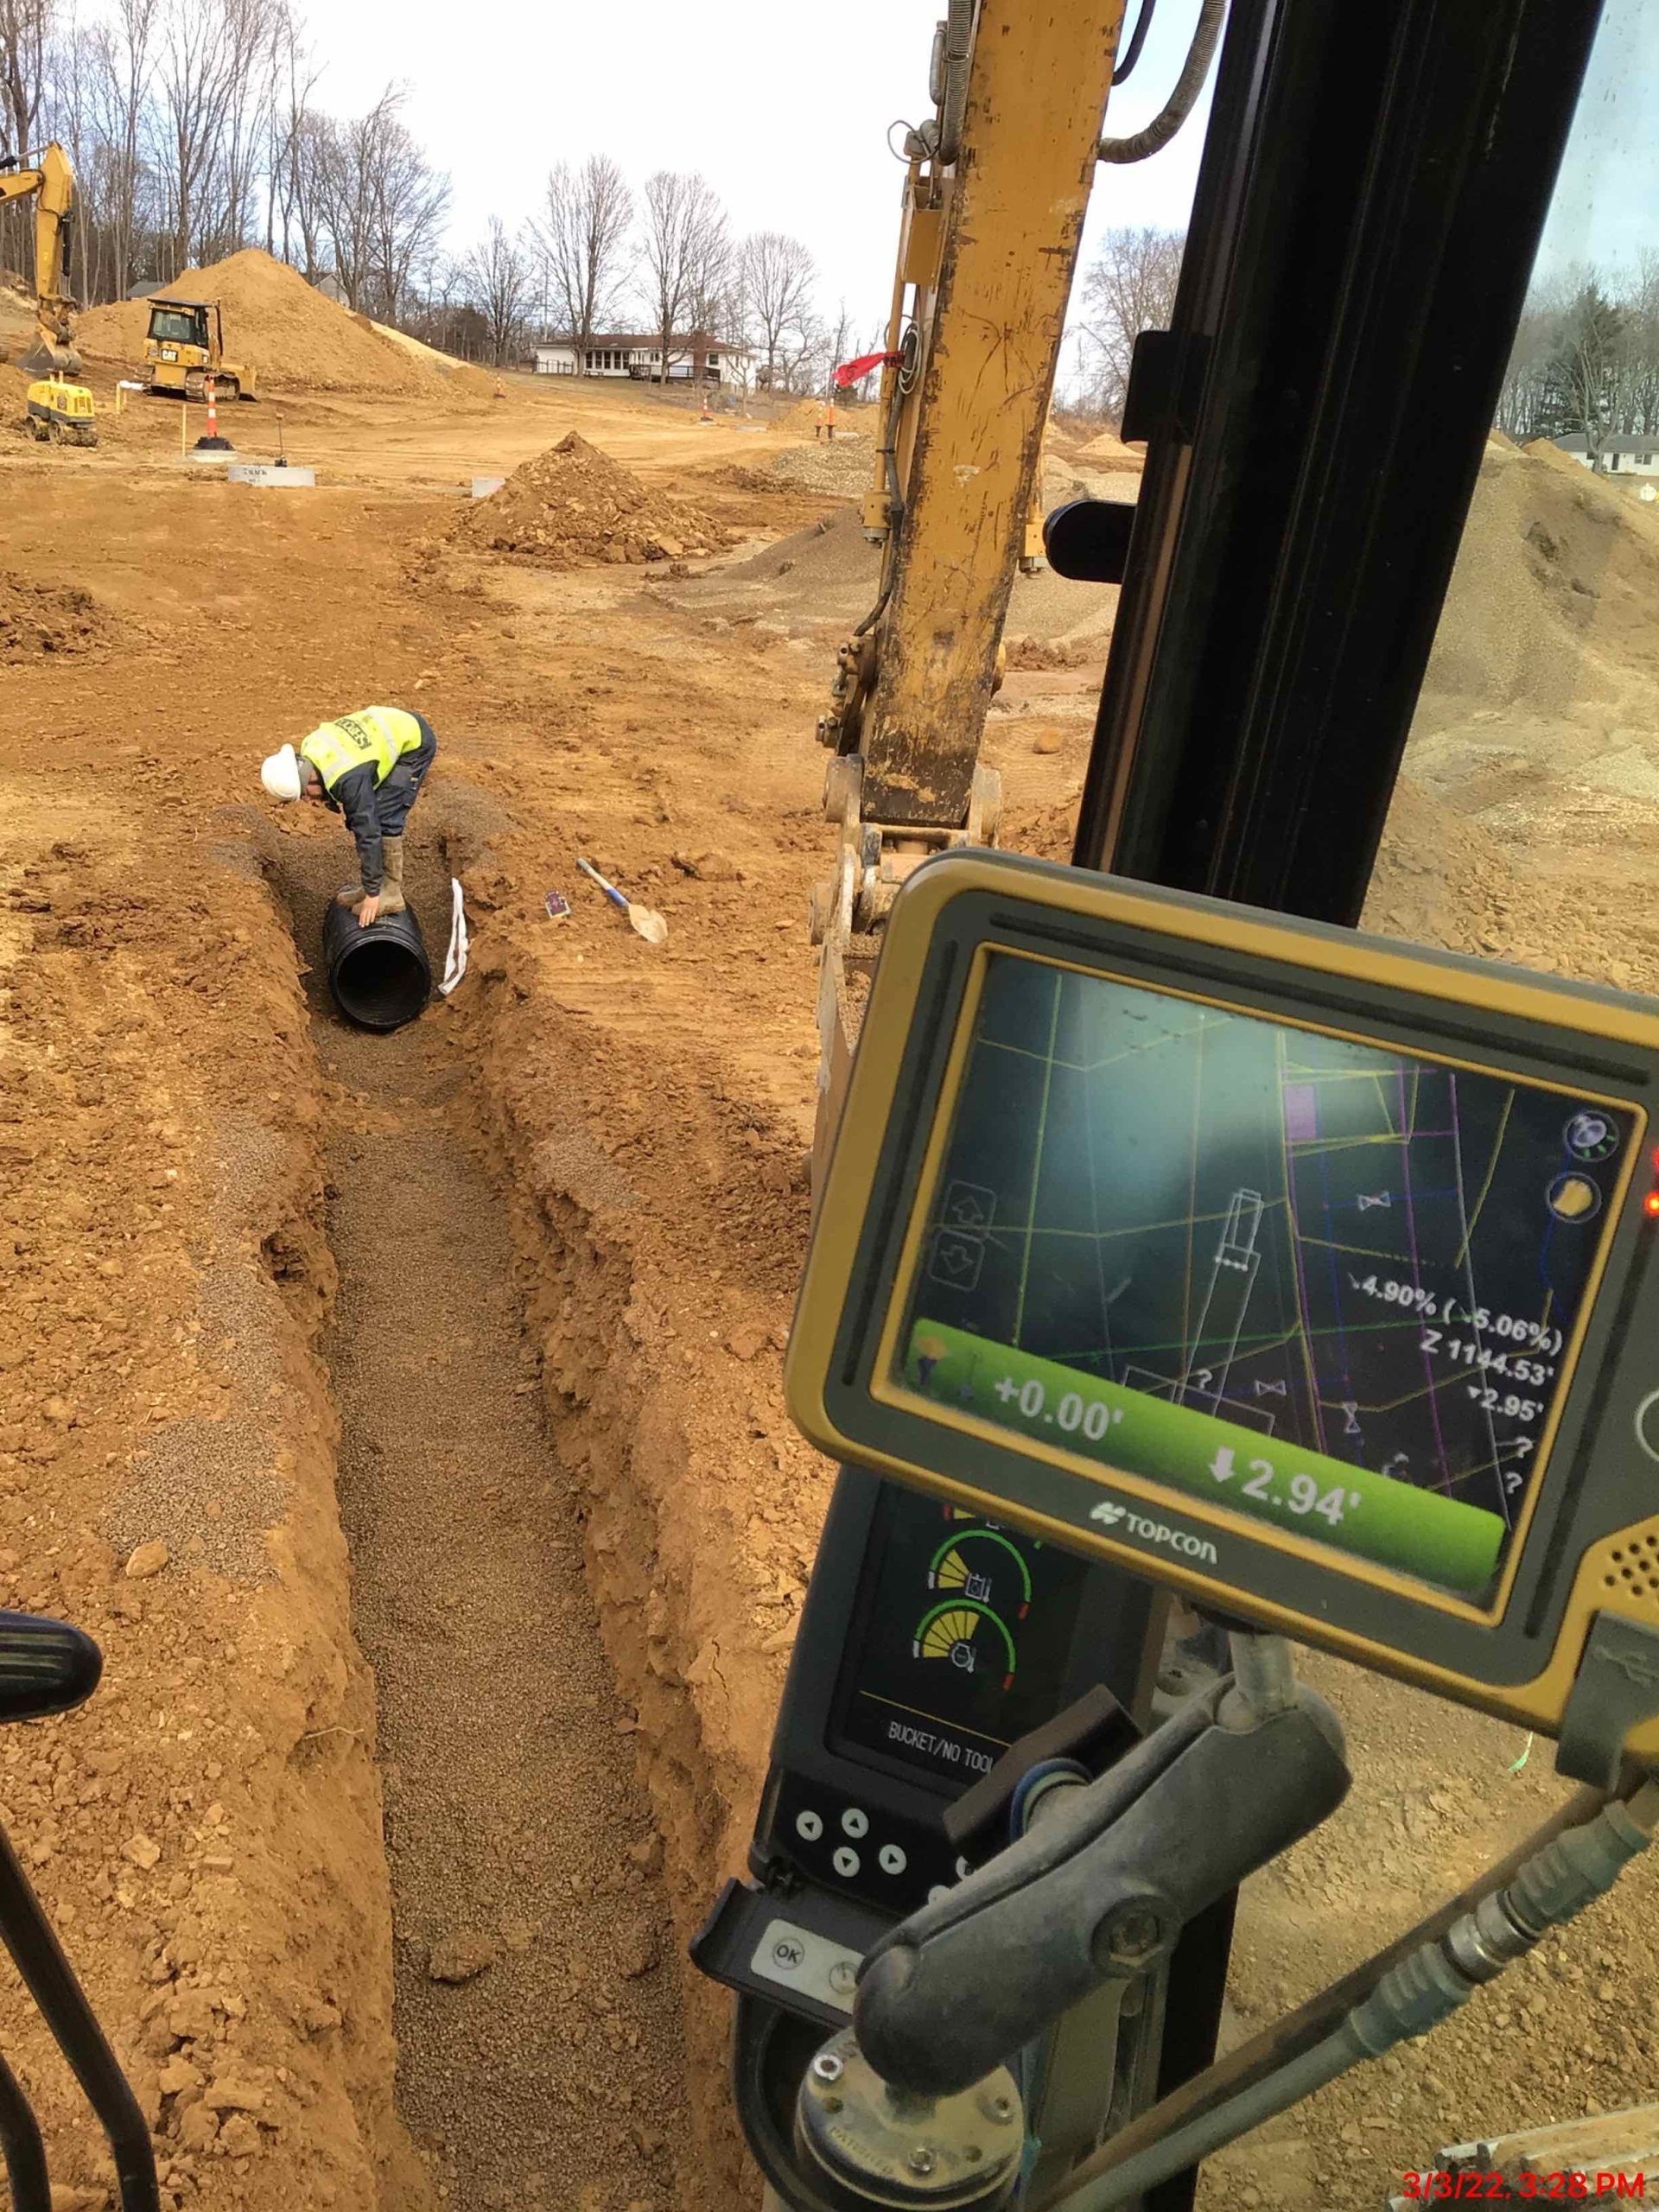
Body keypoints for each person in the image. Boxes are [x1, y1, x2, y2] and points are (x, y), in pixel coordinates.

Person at [259, 707, 436, 925]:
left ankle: (390, 892)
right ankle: (377, 885)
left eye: (305, 794)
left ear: (309, 778)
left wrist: (372, 896)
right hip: (391, 729)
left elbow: (368, 831)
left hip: (413, 742)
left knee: (385, 816)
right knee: (370, 810)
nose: (308, 800)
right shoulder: (310, 749)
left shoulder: (347, 779)